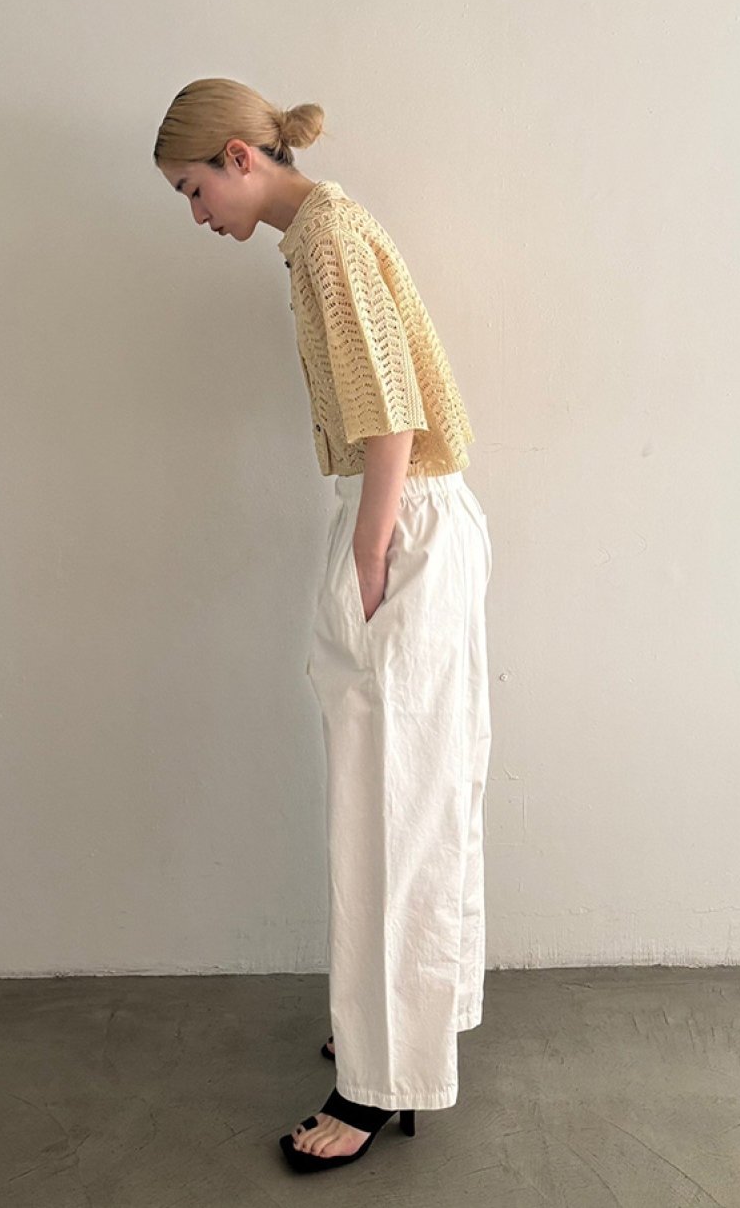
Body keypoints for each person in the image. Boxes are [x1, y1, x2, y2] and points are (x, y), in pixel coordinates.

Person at [153, 77, 493, 1173]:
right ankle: (408, 1028)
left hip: (402, 525)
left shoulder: (329, 239)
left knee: (388, 810)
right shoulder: (316, 236)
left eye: (194, 187)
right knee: (414, 794)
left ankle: (379, 1081)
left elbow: (391, 419)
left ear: (241, 157)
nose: (196, 213)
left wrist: (369, 555)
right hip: (412, 521)